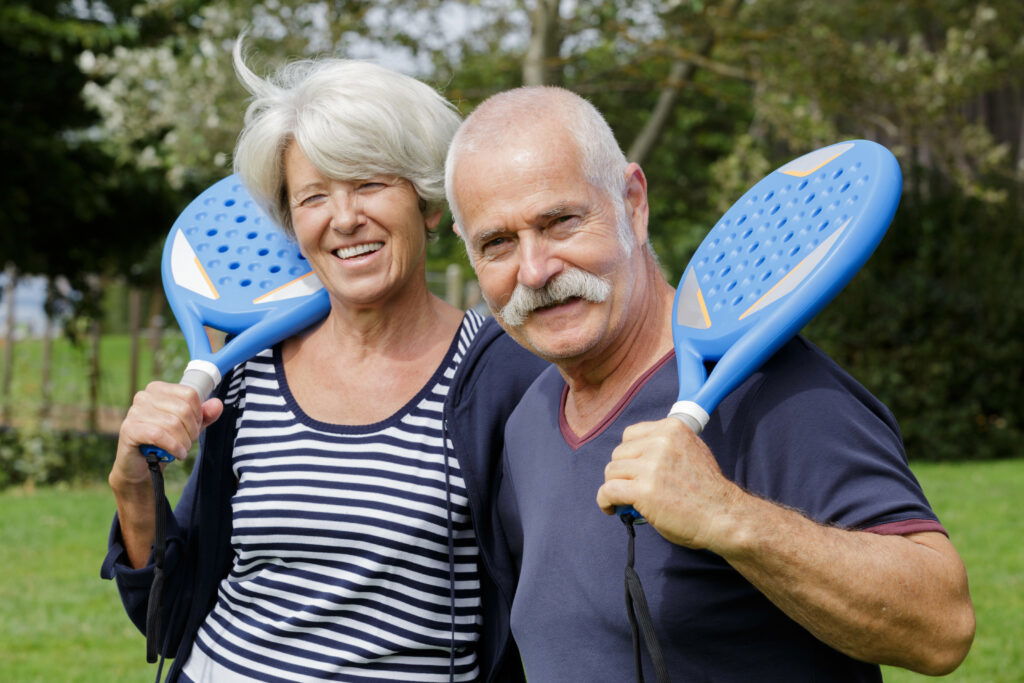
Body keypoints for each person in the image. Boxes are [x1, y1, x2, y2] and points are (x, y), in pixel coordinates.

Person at [444, 86, 975, 682]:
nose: (535, 270)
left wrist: (730, 517)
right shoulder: (529, 420)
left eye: (561, 221)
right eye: (498, 244)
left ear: (633, 203)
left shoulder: (773, 389)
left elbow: (941, 627)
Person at [101, 44, 546, 683]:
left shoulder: (506, 375)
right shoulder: (249, 372)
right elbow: (166, 613)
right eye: (313, 197)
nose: (343, 219)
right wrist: (132, 486)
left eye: (369, 183)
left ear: (427, 202)